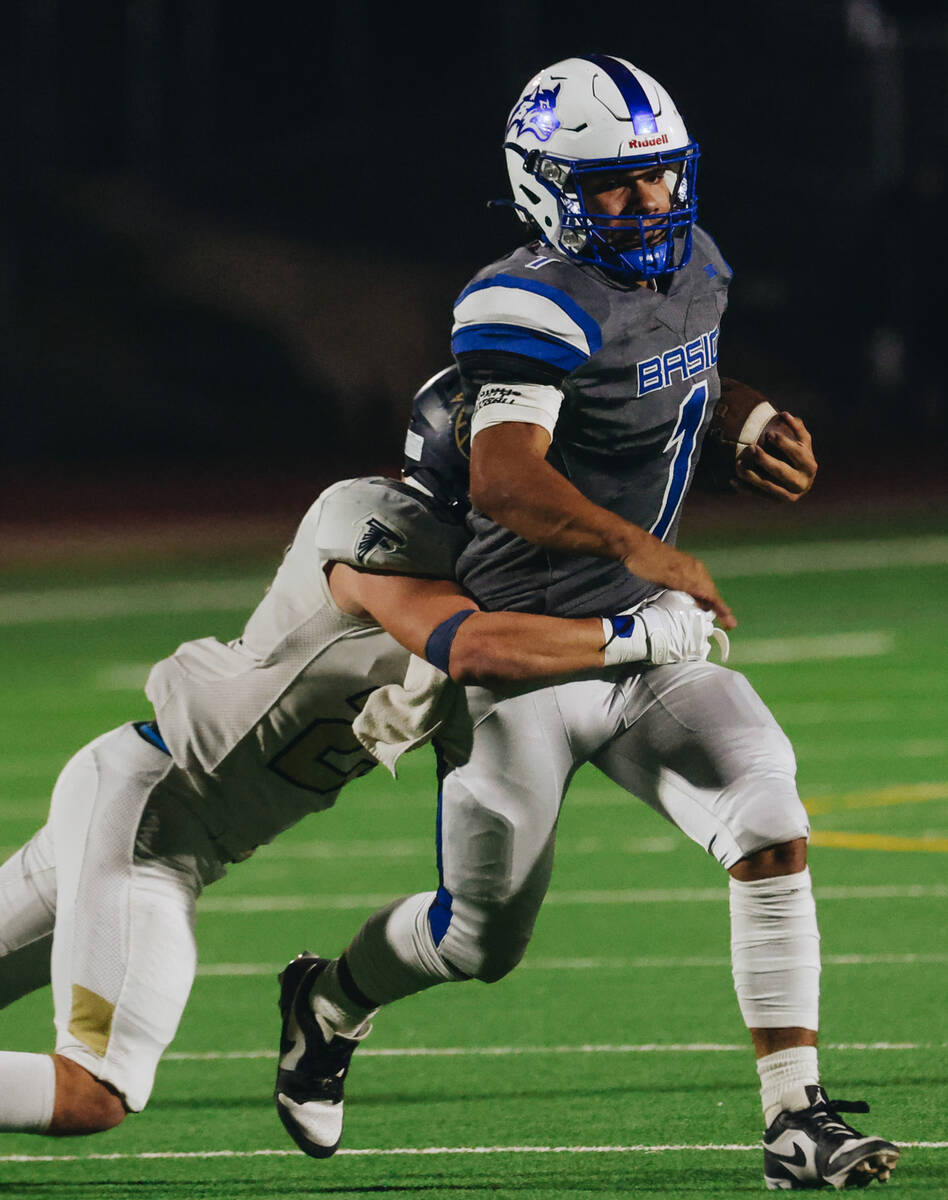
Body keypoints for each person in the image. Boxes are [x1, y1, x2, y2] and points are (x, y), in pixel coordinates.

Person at [271, 57, 899, 1190]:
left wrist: (743, 415)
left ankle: (794, 1117)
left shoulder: (696, 262)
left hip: (646, 632)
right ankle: (329, 997)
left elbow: (677, 372)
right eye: (616, 186)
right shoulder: (518, 299)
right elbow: (509, 478)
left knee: (770, 822)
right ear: (546, 189)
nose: (651, 204)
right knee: (480, 942)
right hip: (526, 657)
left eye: (661, 178)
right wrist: (638, 543)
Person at [0, 370, 719, 1140]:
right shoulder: (373, 521)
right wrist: (639, 635)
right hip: (149, 815)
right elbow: (474, 648)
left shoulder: (496, 570)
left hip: (164, 819)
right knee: (92, 1092)